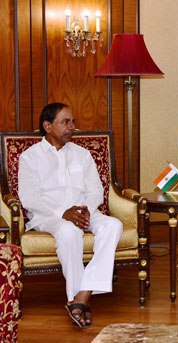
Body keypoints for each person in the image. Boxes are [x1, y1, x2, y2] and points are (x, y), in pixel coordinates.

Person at [18, 103, 123, 328]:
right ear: (48, 126)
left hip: (85, 211)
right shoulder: (29, 157)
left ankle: (81, 297)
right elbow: (29, 198)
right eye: (66, 122)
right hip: (49, 216)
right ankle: (76, 299)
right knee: (68, 230)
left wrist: (85, 208)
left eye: (72, 122)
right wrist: (62, 213)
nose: (72, 127)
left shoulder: (82, 154)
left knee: (113, 225)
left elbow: (96, 190)